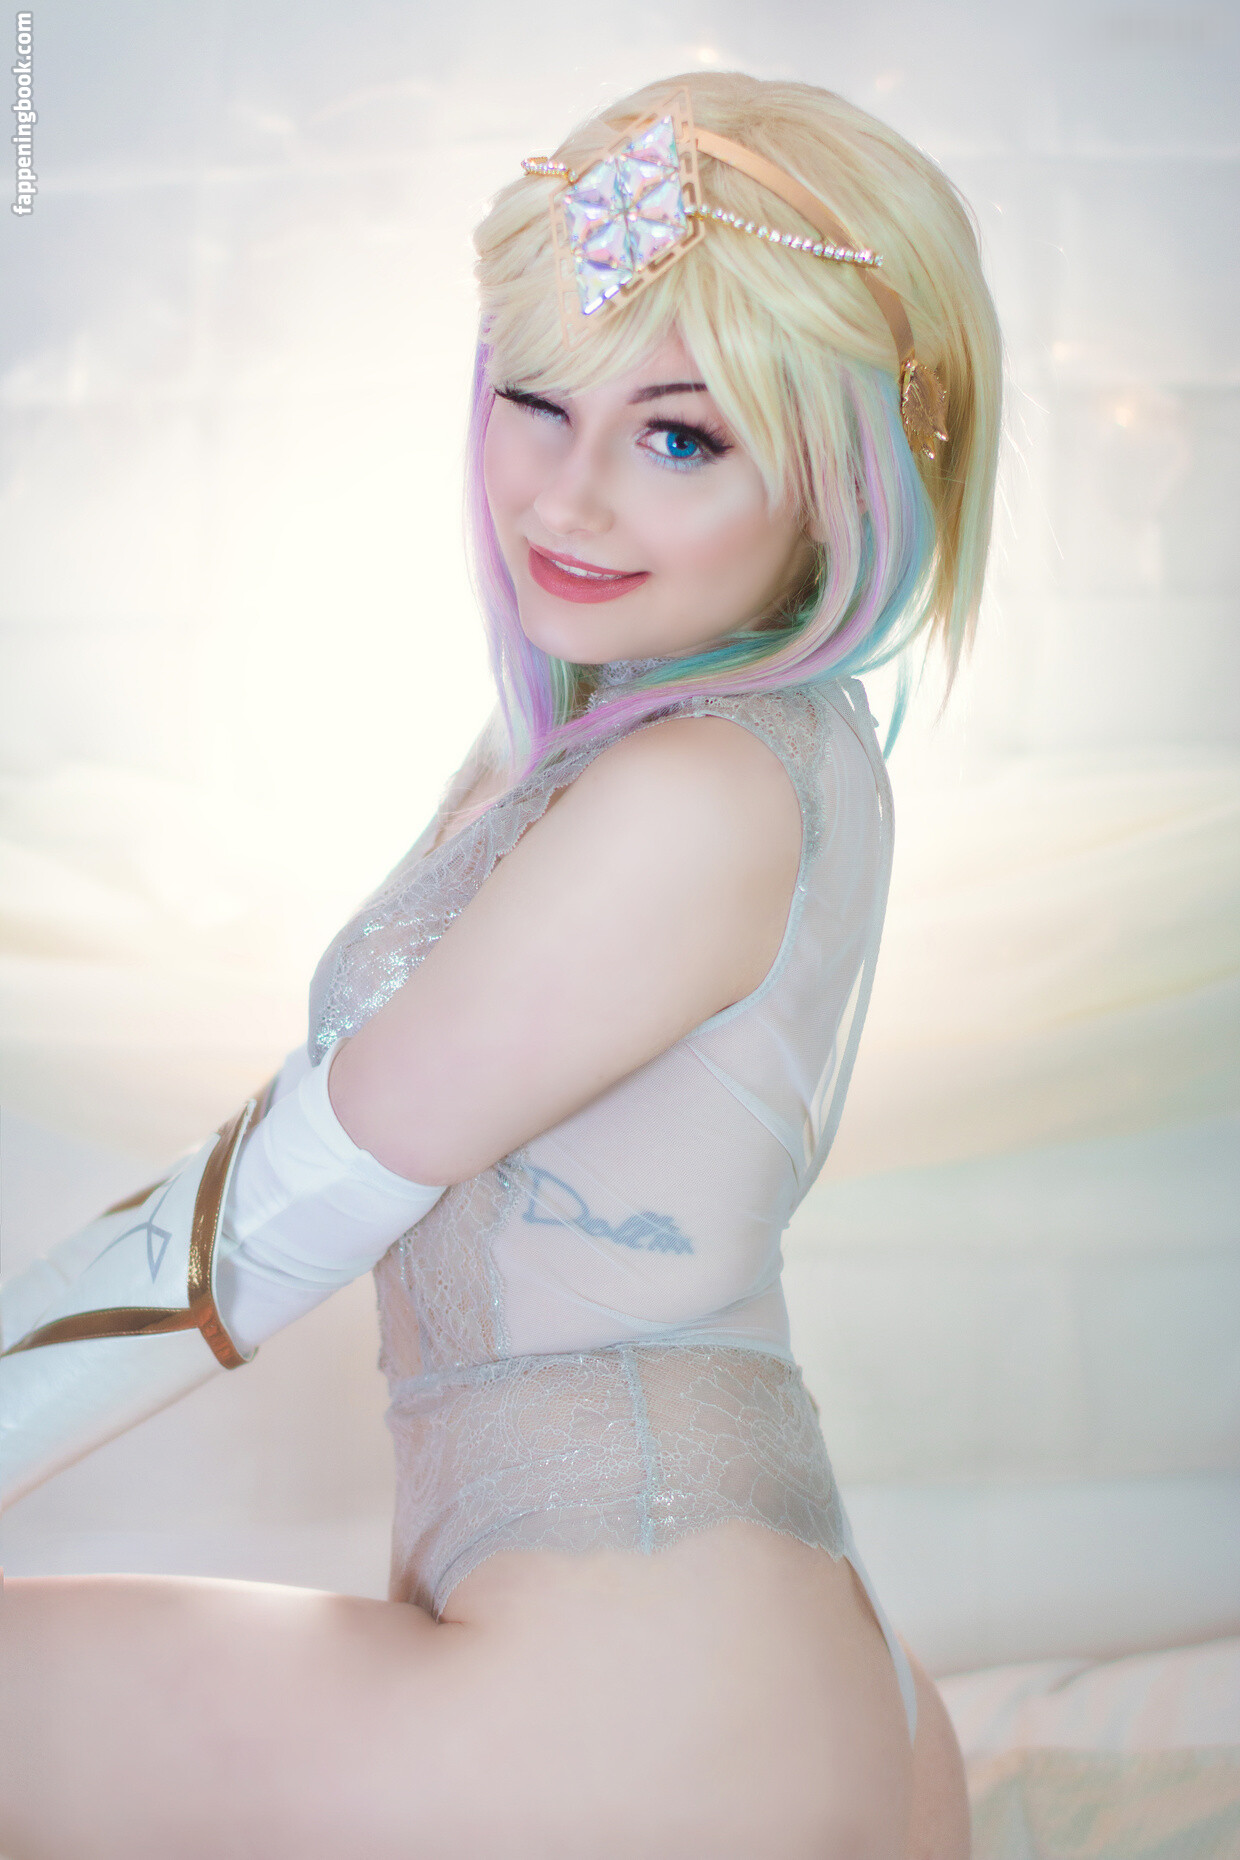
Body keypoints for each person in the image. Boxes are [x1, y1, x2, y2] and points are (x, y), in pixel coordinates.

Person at [0, 69, 1001, 1859]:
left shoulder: (698, 791)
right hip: (727, 1696)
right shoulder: (654, 736)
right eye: (537, 402)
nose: (570, 498)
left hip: (652, 1720)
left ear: (846, 478)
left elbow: (279, 1207)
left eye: (681, 440)